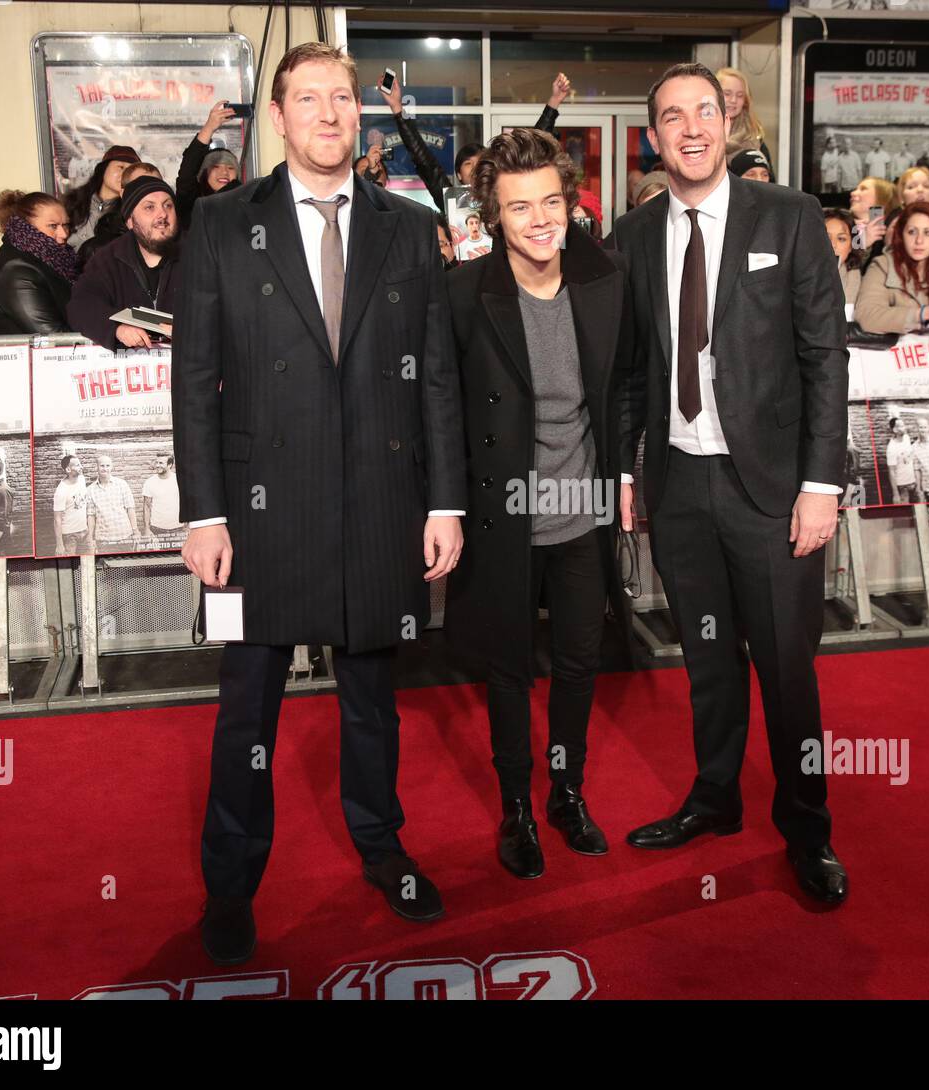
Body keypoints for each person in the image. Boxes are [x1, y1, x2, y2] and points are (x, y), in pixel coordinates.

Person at [172, 42, 466, 965]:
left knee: (373, 701)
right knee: (247, 714)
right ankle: (230, 887)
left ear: (359, 112)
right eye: (309, 98)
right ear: (278, 116)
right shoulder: (223, 223)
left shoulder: (408, 228)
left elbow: (438, 380)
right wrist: (203, 513)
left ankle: (383, 849)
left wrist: (446, 502)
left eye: (342, 97)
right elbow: (194, 378)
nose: (330, 113)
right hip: (258, 515)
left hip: (380, 504)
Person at [607, 63, 850, 906]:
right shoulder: (634, 235)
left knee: (787, 671)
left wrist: (821, 483)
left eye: (703, 112)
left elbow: (826, 358)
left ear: (726, 121)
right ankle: (715, 797)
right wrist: (626, 468)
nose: (691, 129)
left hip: (772, 490)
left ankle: (808, 829)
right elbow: (630, 369)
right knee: (707, 660)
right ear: (655, 136)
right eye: (673, 117)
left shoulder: (789, 215)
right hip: (678, 486)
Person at [442, 128, 634, 879]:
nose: (540, 220)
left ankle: (566, 791)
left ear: (570, 202)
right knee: (509, 668)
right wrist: (445, 506)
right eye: (520, 207)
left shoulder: (605, 280)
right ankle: (516, 805)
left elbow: (624, 388)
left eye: (551, 202)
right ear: (494, 215)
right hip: (505, 510)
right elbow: (442, 410)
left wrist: (624, 475)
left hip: (581, 506)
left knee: (580, 662)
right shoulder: (464, 293)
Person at [378, 71, 568, 216]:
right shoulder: (451, 199)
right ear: (459, 175)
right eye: (468, 163)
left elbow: (531, 148)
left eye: (480, 162)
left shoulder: (504, 195)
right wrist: (397, 108)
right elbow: (424, 161)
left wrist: (553, 103)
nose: (476, 167)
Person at [67, 176, 181, 350]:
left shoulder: (200, 254)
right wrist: (116, 329)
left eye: (168, 205)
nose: (163, 214)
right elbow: (81, 306)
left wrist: (191, 328)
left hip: (189, 362)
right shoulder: (107, 259)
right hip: (131, 364)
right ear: (130, 221)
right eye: (149, 207)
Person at [856, 201, 929, 347]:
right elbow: (866, 317)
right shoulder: (882, 265)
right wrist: (923, 313)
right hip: (892, 356)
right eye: (912, 232)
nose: (919, 241)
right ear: (901, 235)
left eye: (928, 233)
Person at [0, 190, 78, 334]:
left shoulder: (59, 261)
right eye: (53, 226)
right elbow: (53, 337)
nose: (63, 234)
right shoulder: (17, 272)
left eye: (66, 225)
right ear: (26, 227)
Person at [75, 161, 165, 269]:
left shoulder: (177, 238)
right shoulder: (98, 249)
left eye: (157, 187)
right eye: (140, 187)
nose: (151, 194)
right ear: (124, 194)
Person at [175, 101, 243, 230]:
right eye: (216, 167)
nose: (224, 172)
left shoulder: (246, 202)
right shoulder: (192, 202)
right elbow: (188, 168)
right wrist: (209, 127)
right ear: (204, 173)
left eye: (230, 168)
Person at [66, 145, 140, 249]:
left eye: (130, 171)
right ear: (104, 168)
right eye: (121, 167)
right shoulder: (72, 202)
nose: (125, 174)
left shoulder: (131, 213)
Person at [717, 67, 771, 167]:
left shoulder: (755, 139)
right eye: (727, 94)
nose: (733, 100)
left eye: (740, 95)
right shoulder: (701, 135)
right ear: (714, 95)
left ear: (745, 101)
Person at [86, 454, 140, 552]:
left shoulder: (122, 484)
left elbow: (130, 509)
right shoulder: (90, 490)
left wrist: (135, 531)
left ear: (112, 467)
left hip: (125, 536)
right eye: (102, 466)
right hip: (103, 539)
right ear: (97, 467)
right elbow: (91, 516)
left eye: (107, 466)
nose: (105, 468)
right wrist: (90, 537)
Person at [141, 454, 184, 548]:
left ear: (170, 465)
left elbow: (187, 503)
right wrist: (147, 529)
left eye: (161, 463)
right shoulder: (149, 482)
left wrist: (188, 526)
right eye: (156, 462)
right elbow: (146, 507)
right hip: (157, 529)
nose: (157, 465)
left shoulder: (179, 480)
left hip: (178, 529)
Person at [52, 453, 89, 555]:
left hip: (85, 531)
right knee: (70, 563)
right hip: (69, 535)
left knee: (87, 561)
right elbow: (57, 519)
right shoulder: (61, 491)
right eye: (77, 465)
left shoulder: (81, 479)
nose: (81, 467)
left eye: (80, 464)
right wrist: (59, 545)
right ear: (68, 469)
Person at [824, 209, 862, 304]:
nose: (833, 245)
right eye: (826, 237)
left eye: (841, 239)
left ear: (851, 246)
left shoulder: (855, 277)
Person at [885, 416, 920, 503]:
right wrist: (895, 494)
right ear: (895, 430)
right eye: (901, 426)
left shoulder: (906, 438)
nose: (904, 428)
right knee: (905, 509)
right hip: (902, 486)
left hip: (913, 483)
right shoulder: (892, 448)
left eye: (903, 425)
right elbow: (891, 471)